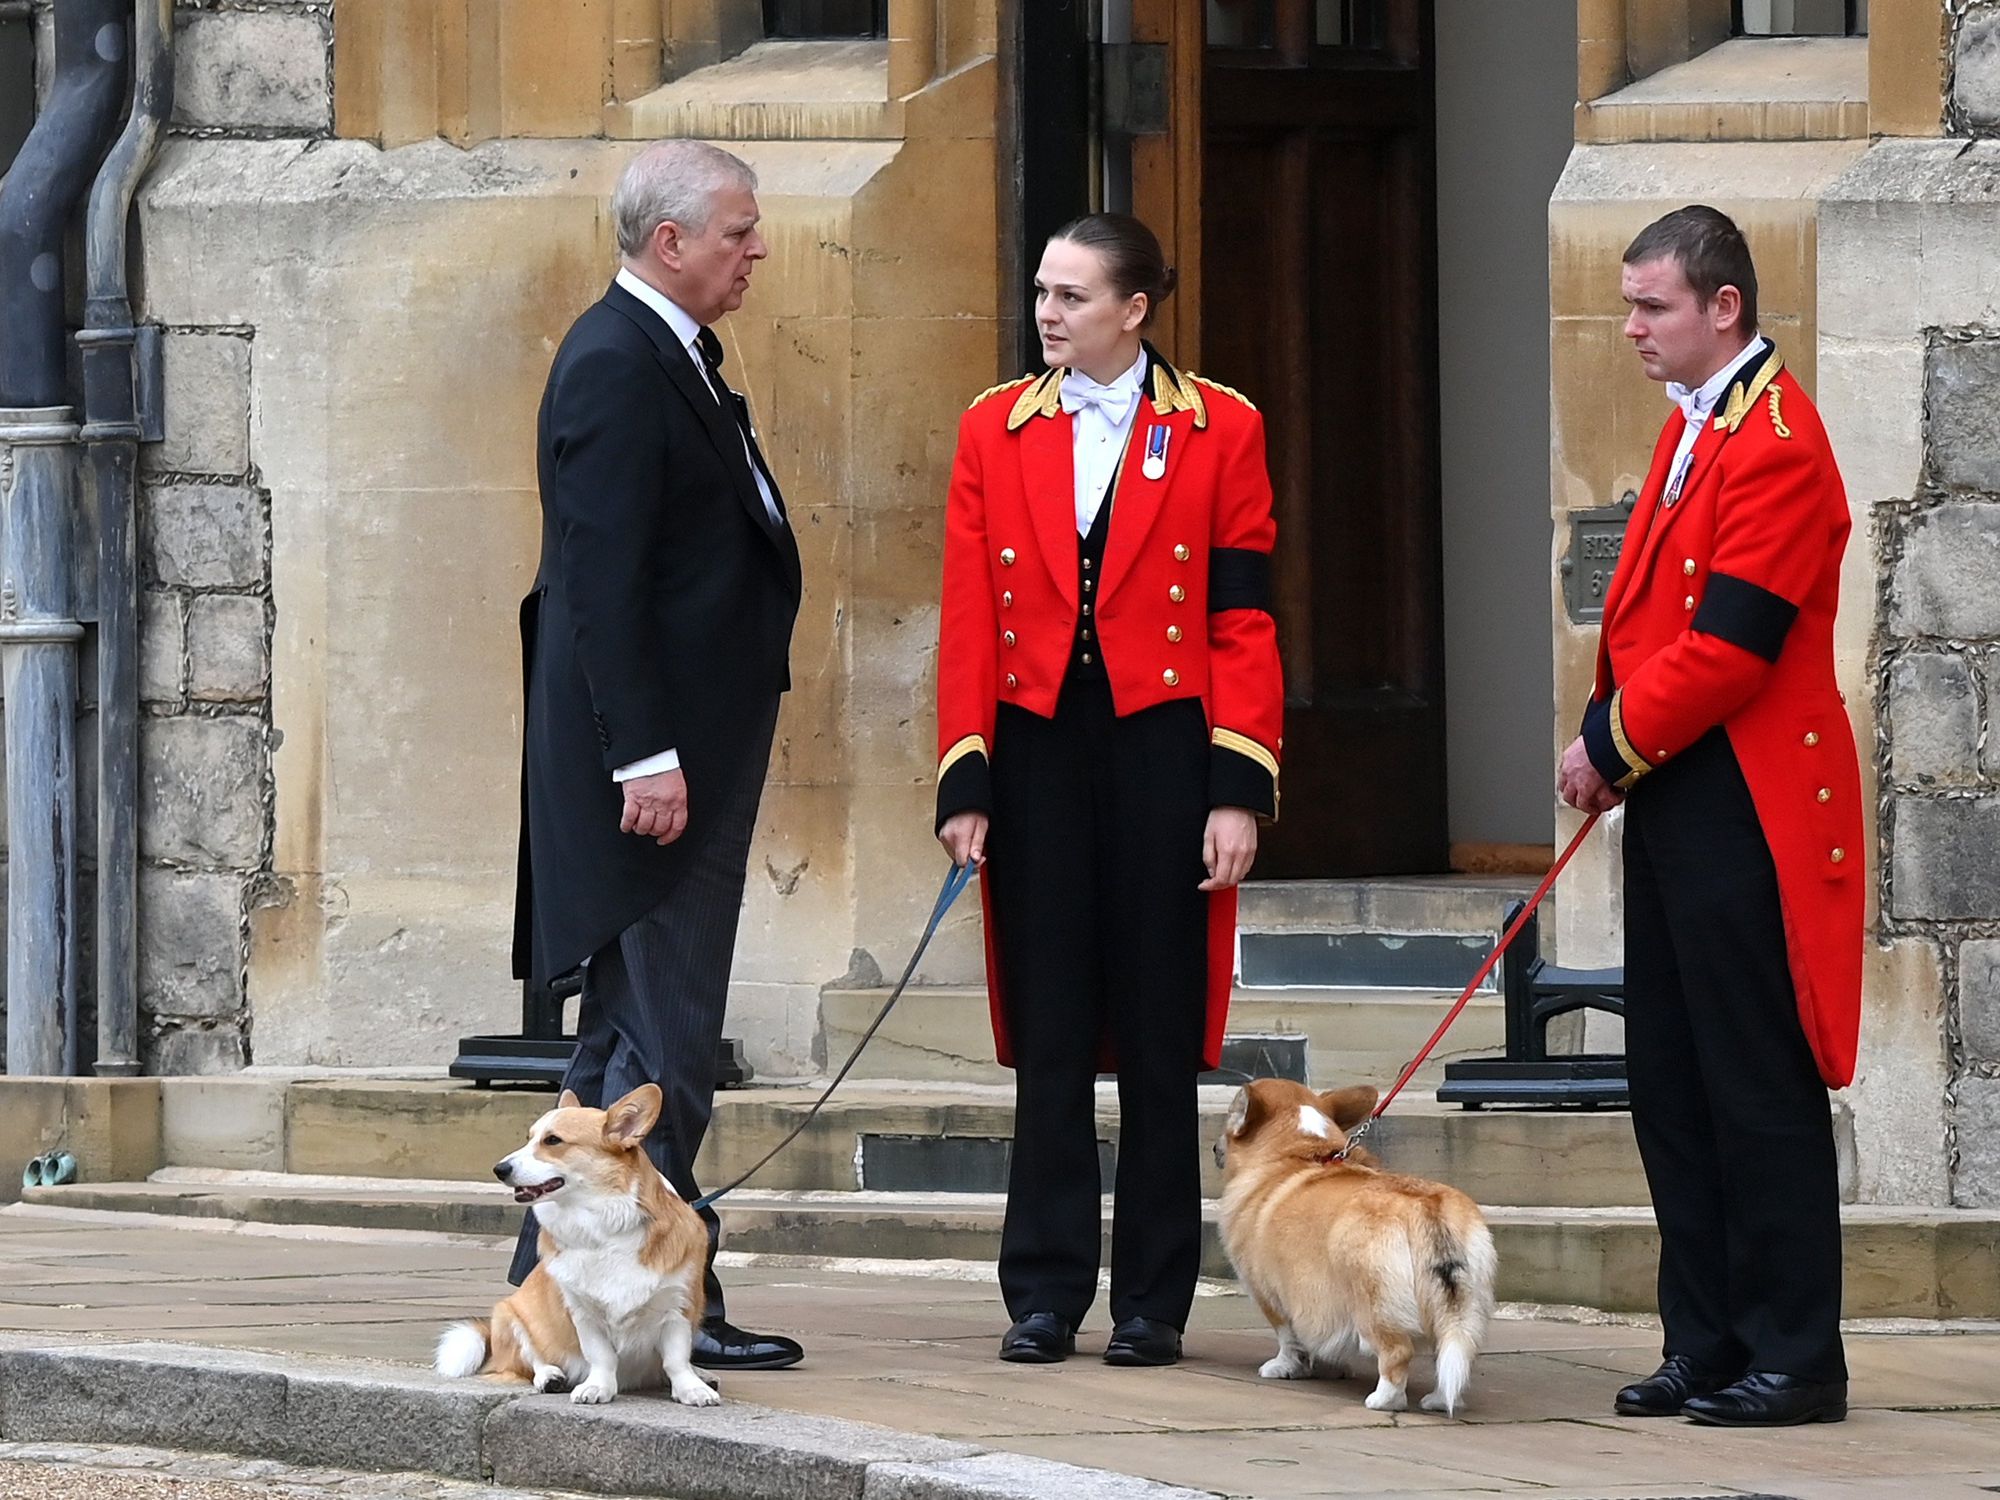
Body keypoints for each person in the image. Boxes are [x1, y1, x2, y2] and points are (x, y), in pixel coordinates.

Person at [934, 213, 1284, 1368]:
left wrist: (1237, 788)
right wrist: (965, 779)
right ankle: (1039, 1294)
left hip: (1164, 755)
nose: (1046, 312)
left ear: (1134, 310)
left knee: (1152, 1031)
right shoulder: (993, 426)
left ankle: (1150, 1305)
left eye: (1071, 296)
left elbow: (1240, 617)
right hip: (1035, 753)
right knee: (1047, 1032)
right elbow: (967, 623)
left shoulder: (1219, 423)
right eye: (1042, 291)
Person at [1559, 205, 1862, 1427]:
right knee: (1671, 1081)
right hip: (1684, 786)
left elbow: (1731, 646)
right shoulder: (1699, 426)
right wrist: (1623, 750)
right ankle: (1707, 1338)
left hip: (1746, 792)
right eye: (1629, 305)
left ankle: (1795, 1353)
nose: (1629, 326)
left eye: (1651, 306)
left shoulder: (1775, 438)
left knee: (1750, 1081)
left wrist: (1603, 744)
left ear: (1722, 308)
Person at [509, 139, 805, 1372]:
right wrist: (645, 756)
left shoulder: (670, 353)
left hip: (686, 756)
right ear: (669, 240)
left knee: (628, 1046)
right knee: (662, 1041)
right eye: (737, 230)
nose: (757, 250)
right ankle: (670, 1297)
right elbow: (599, 588)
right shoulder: (617, 363)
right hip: (655, 773)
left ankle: (551, 1302)